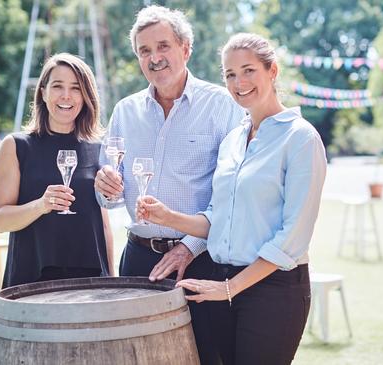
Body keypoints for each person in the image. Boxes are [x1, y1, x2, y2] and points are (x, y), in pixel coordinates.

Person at [137, 33, 327, 365]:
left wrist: (230, 289)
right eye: (229, 74)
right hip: (221, 280)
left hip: (274, 289)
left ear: (272, 71)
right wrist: (168, 217)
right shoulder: (233, 140)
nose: (239, 82)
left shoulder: (301, 138)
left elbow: (291, 240)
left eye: (248, 70)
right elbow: (217, 219)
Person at [92, 5, 245, 364]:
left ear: (185, 48)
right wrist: (106, 186)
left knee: (206, 356)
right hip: (138, 258)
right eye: (144, 50)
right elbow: (108, 193)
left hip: (203, 260)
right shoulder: (125, 111)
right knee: (135, 356)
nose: (154, 57)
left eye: (163, 46)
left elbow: (232, 194)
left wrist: (190, 247)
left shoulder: (222, 105)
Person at [0, 53, 114, 288]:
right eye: (57, 86)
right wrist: (41, 205)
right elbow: (0, 221)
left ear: (86, 95)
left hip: (89, 282)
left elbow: (104, 224)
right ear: (43, 92)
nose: (66, 96)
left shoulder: (98, 149)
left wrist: (111, 279)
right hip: (32, 279)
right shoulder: (16, 146)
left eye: (76, 88)